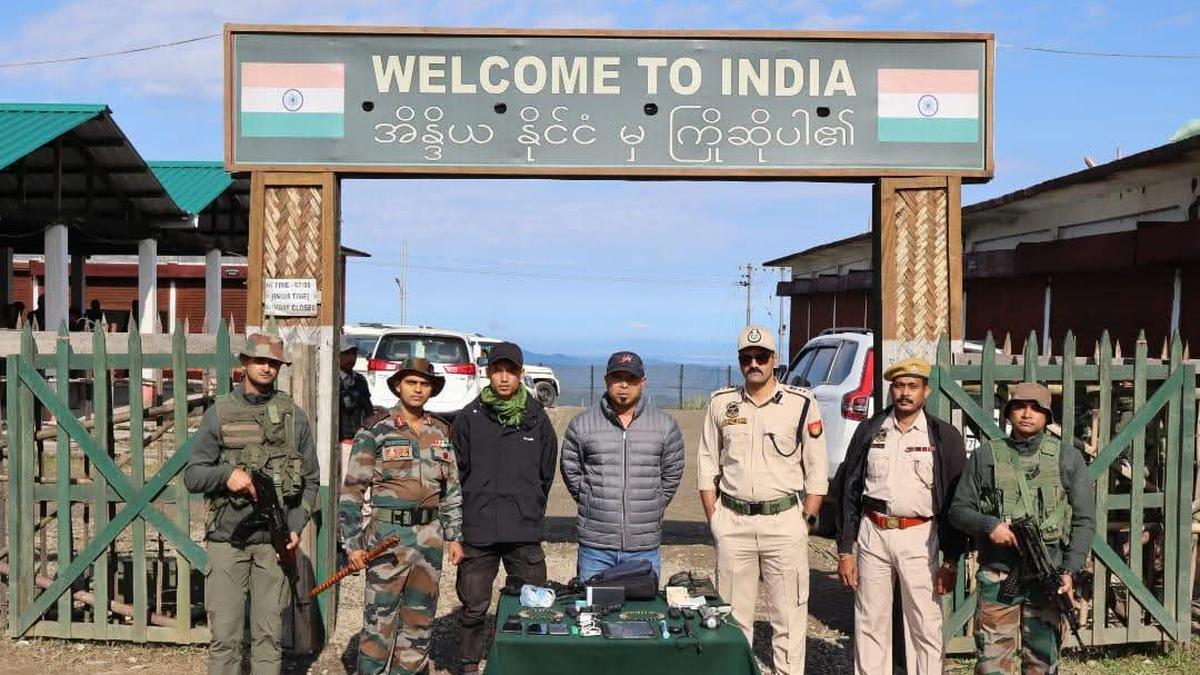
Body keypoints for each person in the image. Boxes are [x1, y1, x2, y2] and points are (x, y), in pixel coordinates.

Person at [183, 333, 320, 675]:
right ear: (244, 362)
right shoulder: (220, 413)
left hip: (274, 545)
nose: (266, 368)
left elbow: (311, 481)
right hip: (227, 540)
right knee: (225, 639)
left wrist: (295, 526)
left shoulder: (294, 417)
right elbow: (193, 475)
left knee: (268, 639)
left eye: (273, 363)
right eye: (260, 360)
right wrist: (226, 475)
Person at [697, 325, 828, 675]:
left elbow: (817, 471)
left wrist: (806, 521)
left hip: (784, 522)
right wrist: (715, 519)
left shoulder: (801, 404)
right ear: (740, 361)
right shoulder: (722, 403)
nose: (754, 363)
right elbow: (707, 463)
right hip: (733, 521)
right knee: (732, 618)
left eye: (761, 357)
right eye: (747, 358)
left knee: (788, 617)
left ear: (774, 359)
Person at [950, 382, 1096, 674]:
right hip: (999, 574)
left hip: (1047, 576)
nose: (1027, 414)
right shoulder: (986, 456)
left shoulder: (1067, 458)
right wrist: (990, 525)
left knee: (1042, 663)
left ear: (1047, 416)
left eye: (1036, 408)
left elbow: (1084, 521)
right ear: (1008, 413)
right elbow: (958, 510)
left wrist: (1069, 570)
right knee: (991, 664)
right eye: (1020, 407)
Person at [833, 358, 967, 674]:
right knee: (870, 620)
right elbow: (849, 488)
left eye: (912, 386)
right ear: (891, 389)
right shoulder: (870, 430)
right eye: (899, 386)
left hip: (920, 536)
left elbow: (956, 500)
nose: (905, 393)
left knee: (924, 623)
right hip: (874, 533)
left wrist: (951, 560)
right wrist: (845, 550)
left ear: (926, 391)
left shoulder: (943, 436)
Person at [340, 358, 464, 675]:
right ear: (398, 386)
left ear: (431, 389)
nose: (418, 389)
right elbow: (352, 493)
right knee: (379, 622)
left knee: (420, 622)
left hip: (430, 537)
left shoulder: (441, 431)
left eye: (424, 384)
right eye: (411, 382)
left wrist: (454, 537)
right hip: (388, 537)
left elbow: (451, 489)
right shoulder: (375, 430)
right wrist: (353, 545)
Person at [452, 341, 557, 673]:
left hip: (523, 529)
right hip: (478, 529)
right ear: (488, 373)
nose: (503, 378)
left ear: (520, 374)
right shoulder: (469, 418)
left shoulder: (536, 419)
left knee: (534, 603)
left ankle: (527, 664)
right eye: (497, 371)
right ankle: (470, 664)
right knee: (473, 606)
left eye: (510, 371)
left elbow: (546, 472)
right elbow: (457, 471)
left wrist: (529, 505)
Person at [560, 350, 685, 580]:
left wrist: (656, 501)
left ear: (643, 382)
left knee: (643, 605)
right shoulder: (582, 424)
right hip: (595, 547)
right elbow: (571, 468)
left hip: (644, 546)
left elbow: (672, 473)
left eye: (631, 379)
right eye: (617, 378)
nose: (624, 385)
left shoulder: (665, 426)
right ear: (607, 380)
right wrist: (590, 498)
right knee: (592, 603)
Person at [339, 335, 374, 442]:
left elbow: (368, 411)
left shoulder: (360, 381)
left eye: (353, 353)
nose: (351, 358)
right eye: (346, 353)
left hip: (358, 439)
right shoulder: (331, 382)